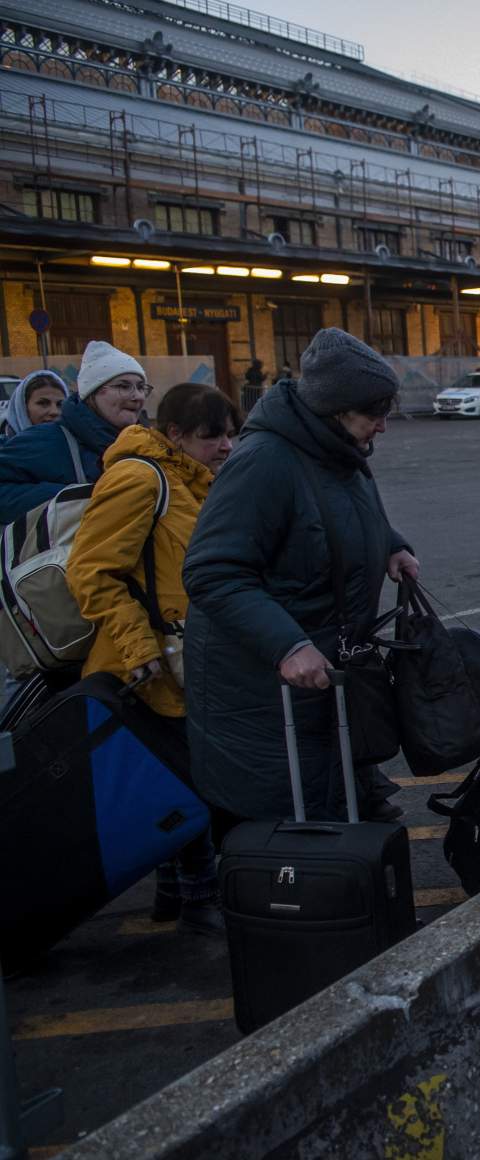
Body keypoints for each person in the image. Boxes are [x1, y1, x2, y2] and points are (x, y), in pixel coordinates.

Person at [182, 328, 417, 836]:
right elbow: (213, 571)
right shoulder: (265, 461)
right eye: (374, 414)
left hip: (324, 676)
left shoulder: (337, 450)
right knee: (293, 826)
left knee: (334, 811)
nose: (383, 427)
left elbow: (342, 514)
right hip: (264, 690)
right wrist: (287, 645)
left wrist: (391, 544)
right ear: (335, 408)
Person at [67, 382, 240, 937]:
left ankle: (175, 894)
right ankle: (198, 898)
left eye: (231, 434)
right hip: (143, 665)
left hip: (184, 660)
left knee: (180, 775)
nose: (226, 446)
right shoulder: (139, 478)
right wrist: (139, 646)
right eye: (213, 436)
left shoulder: (193, 481)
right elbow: (90, 573)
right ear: (174, 435)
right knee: (189, 778)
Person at [0, 341, 147, 523]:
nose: (137, 396)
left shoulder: (145, 445)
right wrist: (71, 500)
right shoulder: (48, 440)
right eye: (124, 386)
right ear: (92, 394)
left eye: (141, 387)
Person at [2, 369, 68, 440]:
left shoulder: (75, 447)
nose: (54, 411)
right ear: (23, 408)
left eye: (60, 404)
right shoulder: (5, 449)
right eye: (43, 403)